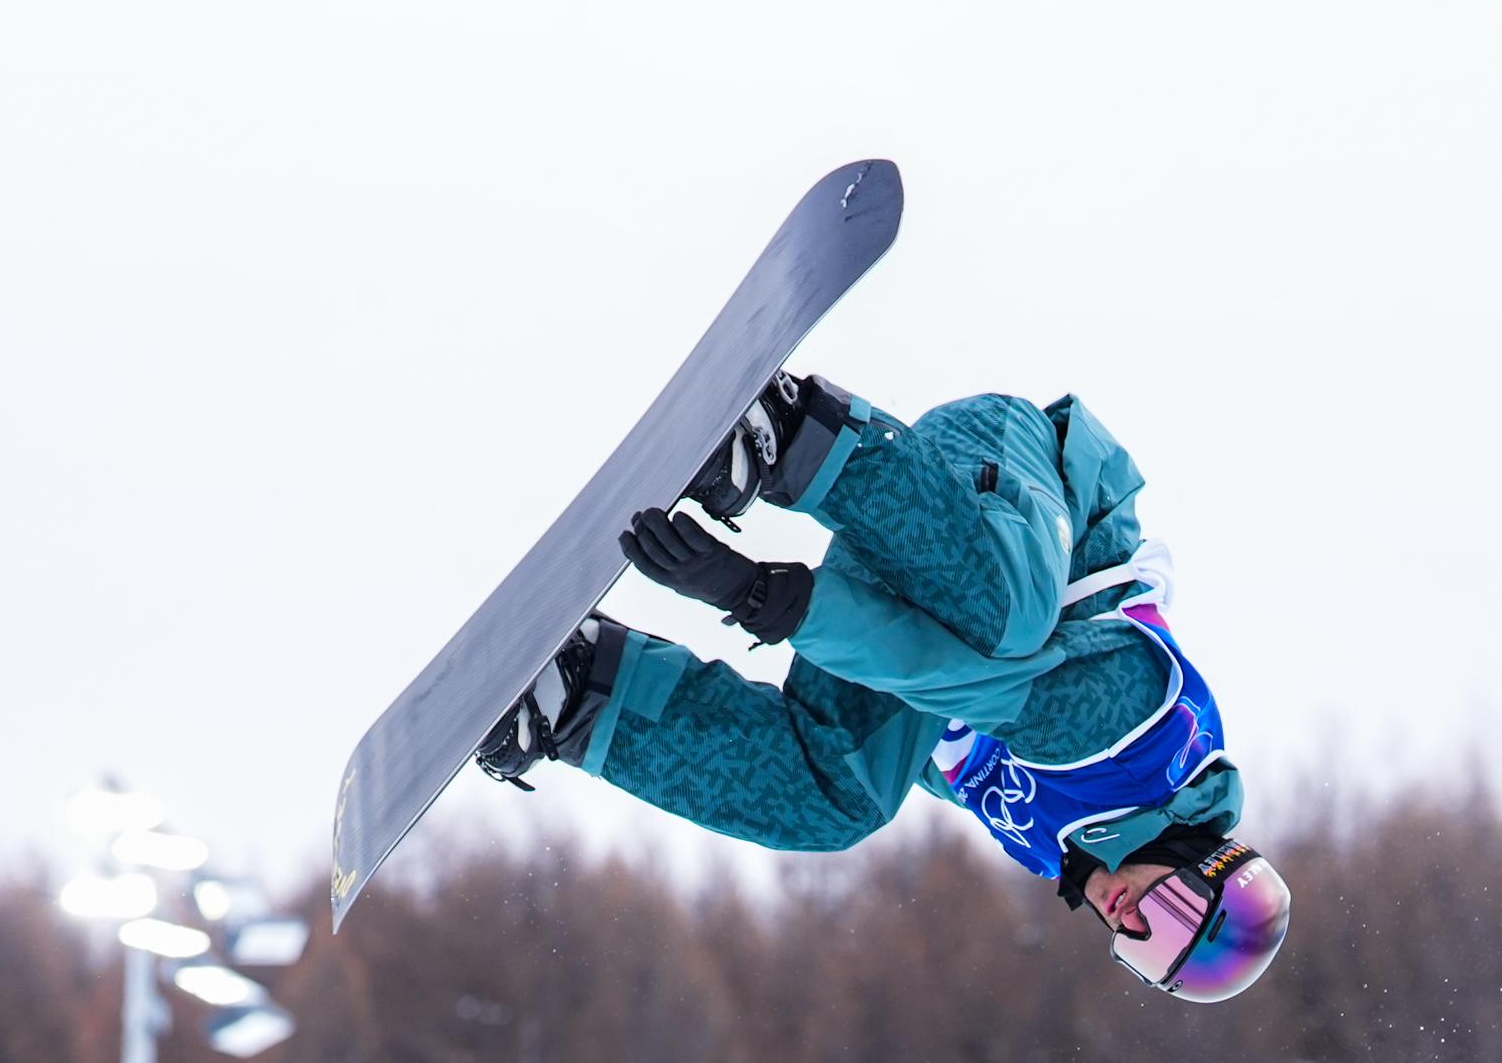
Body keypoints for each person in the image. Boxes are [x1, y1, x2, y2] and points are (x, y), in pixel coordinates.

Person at [474, 371, 1292, 1003]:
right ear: (1205, 860)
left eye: (1145, 957)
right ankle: (795, 435)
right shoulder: (1141, 730)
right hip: (990, 500)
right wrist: (765, 599)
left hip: (908, 597)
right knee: (1006, 621)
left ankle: (585, 694)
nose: (1130, 926)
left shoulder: (1066, 847)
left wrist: (816, 682)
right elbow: (965, 675)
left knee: (840, 801)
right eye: (1172, 917)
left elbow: (928, 718)